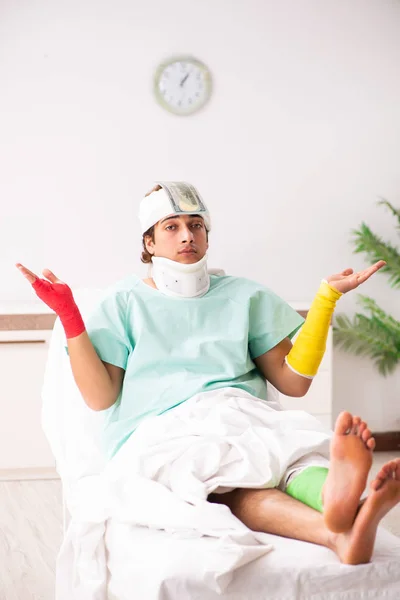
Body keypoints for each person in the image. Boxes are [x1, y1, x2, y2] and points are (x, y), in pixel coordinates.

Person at [16, 181, 399, 566]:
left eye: (196, 225)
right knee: (222, 475)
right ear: (148, 243)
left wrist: (325, 301)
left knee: (289, 453)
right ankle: (338, 516)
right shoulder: (123, 303)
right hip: (162, 430)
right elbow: (100, 398)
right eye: (171, 226)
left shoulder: (244, 296)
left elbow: (293, 382)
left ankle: (336, 502)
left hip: (241, 415)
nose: (187, 235)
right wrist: (69, 314)